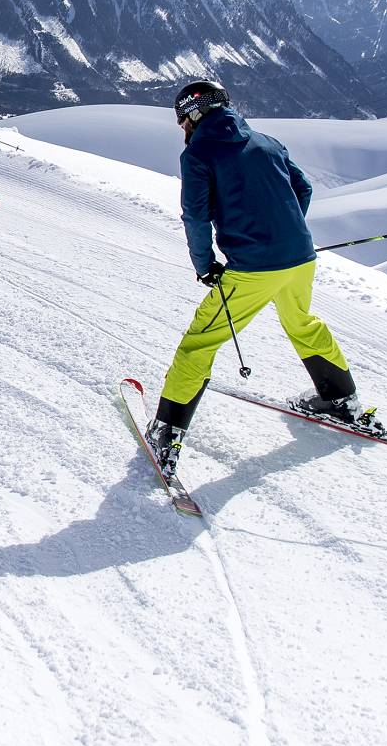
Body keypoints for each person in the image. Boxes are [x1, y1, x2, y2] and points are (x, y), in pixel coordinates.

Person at [145, 79, 359, 477]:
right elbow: (303, 188)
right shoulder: (268, 142)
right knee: (303, 323)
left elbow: (195, 214)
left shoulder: (198, 153)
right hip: (300, 259)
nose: (183, 130)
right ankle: (340, 401)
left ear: (193, 115)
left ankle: (166, 433)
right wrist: (283, 233)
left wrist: (204, 263)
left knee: (199, 343)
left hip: (253, 269)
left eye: (182, 122)